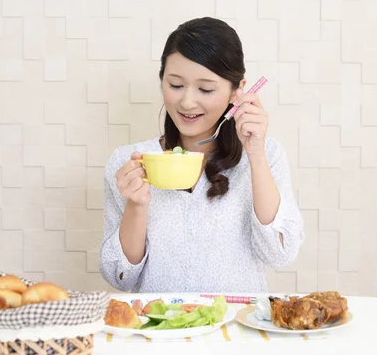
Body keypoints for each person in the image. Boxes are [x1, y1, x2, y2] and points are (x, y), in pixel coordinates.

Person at [99, 17, 305, 293]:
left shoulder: (266, 155)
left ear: (237, 91)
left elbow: (280, 254)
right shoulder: (132, 161)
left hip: (237, 330)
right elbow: (120, 278)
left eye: (205, 89)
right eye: (175, 85)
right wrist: (137, 205)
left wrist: (255, 156)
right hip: (161, 331)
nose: (186, 102)